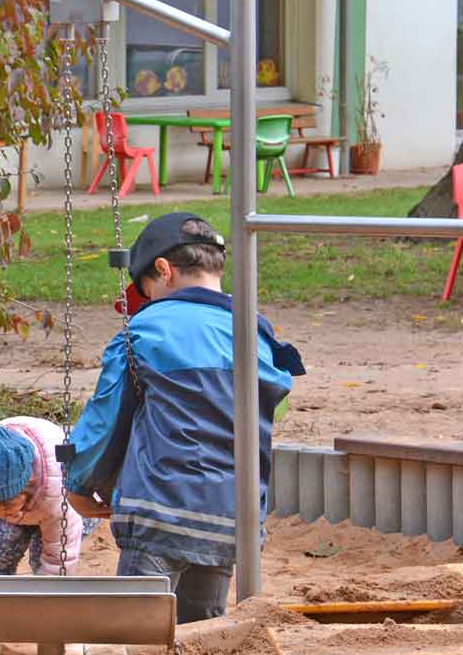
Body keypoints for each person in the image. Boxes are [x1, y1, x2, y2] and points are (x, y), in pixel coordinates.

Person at [64, 212, 304, 622]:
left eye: (147, 291)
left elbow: (105, 422)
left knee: (136, 633)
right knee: (202, 637)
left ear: (163, 270)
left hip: (159, 511)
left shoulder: (143, 331)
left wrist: (80, 485)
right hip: (232, 516)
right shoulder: (257, 334)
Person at [0, 418, 99, 576]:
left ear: (25, 487)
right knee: (1, 555)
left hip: (80, 501)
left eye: (4, 508)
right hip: (26, 503)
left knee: (38, 558)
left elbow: (58, 560)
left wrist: (48, 594)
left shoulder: (59, 499)